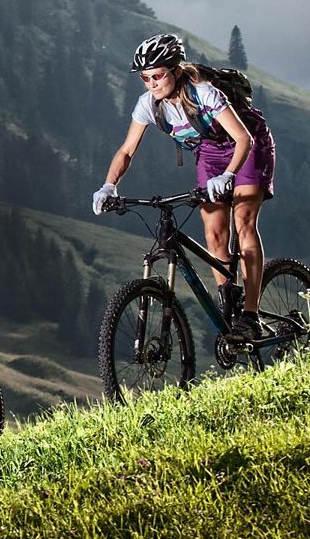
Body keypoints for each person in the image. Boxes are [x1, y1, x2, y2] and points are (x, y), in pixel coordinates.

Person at [91, 33, 277, 328]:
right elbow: (127, 150)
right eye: (145, 79)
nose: (152, 84)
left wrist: (229, 175)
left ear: (176, 71)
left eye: (158, 76)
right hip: (209, 153)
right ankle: (228, 294)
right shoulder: (148, 105)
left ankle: (251, 313)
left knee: (243, 222)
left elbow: (243, 138)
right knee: (214, 234)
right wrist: (108, 185)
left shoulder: (203, 92)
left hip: (247, 146)